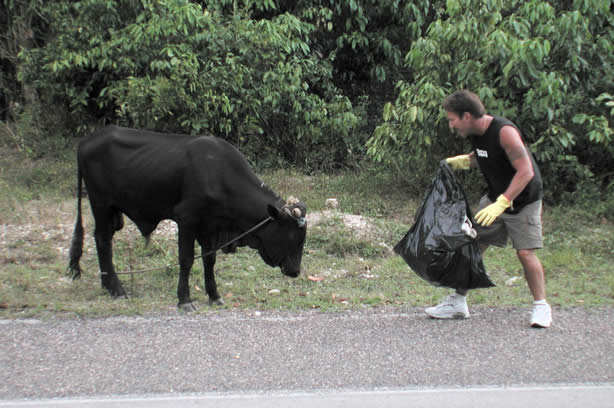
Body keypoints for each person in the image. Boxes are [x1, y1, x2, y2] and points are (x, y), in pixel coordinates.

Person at [425, 90, 552, 328]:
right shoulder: (475, 132)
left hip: (524, 200)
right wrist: (460, 162)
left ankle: (541, 307)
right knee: (472, 246)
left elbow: (526, 171)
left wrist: (503, 203)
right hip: (494, 198)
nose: (451, 125)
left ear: (466, 116)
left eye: (452, 119)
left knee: (525, 253)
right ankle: (458, 302)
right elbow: (481, 156)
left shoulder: (505, 133)